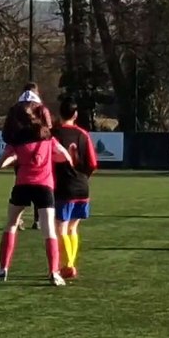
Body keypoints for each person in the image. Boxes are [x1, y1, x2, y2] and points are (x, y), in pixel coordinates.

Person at [0, 101, 73, 285]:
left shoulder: (17, 139)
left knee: (11, 224)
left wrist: (1, 164)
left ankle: (3, 269)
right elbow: (63, 155)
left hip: (22, 185)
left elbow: (5, 160)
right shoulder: (47, 136)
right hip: (44, 187)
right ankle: (54, 272)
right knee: (49, 230)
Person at [53, 98, 98, 279]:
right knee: (73, 228)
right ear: (76, 115)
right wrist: (83, 177)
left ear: (59, 114)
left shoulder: (54, 134)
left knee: (61, 229)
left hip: (64, 187)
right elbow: (92, 163)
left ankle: (69, 264)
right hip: (82, 187)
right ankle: (70, 264)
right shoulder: (83, 134)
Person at [14, 82, 51, 231]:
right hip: (40, 152)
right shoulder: (42, 109)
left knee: (21, 184)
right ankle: (38, 219)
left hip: (21, 151)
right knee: (41, 185)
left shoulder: (16, 109)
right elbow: (49, 128)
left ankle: (18, 219)